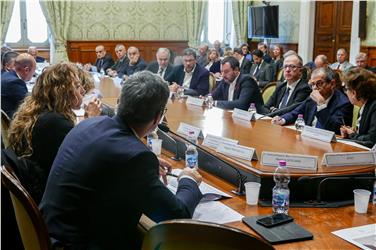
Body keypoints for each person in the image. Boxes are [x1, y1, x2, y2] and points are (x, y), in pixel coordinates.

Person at [40, 71, 203, 249]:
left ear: (120, 103)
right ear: (157, 117)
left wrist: (145, 169)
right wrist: (188, 180)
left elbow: (109, 164)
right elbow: (178, 216)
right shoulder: (134, 157)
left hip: (48, 233)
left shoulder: (88, 124)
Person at [6, 62, 101, 203]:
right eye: (76, 86)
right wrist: (91, 122)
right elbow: (84, 162)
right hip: (49, 197)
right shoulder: (54, 123)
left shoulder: (41, 111)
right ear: (62, 91)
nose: (82, 90)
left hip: (37, 185)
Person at [272, 67, 353, 135]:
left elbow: (335, 129)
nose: (314, 88)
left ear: (332, 84)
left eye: (319, 83)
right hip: (308, 138)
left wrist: (321, 105)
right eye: (312, 84)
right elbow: (296, 113)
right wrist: (282, 120)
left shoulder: (344, 103)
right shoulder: (312, 98)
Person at [340, 68, 376, 148]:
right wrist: (353, 133)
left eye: (346, 89)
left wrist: (352, 135)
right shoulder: (365, 105)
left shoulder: (374, 106)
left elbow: (371, 140)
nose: (346, 93)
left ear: (354, 93)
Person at [1, 53, 36, 118]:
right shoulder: (15, 82)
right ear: (26, 70)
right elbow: (29, 105)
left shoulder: (5, 75)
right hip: (11, 119)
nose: (33, 74)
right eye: (34, 71)